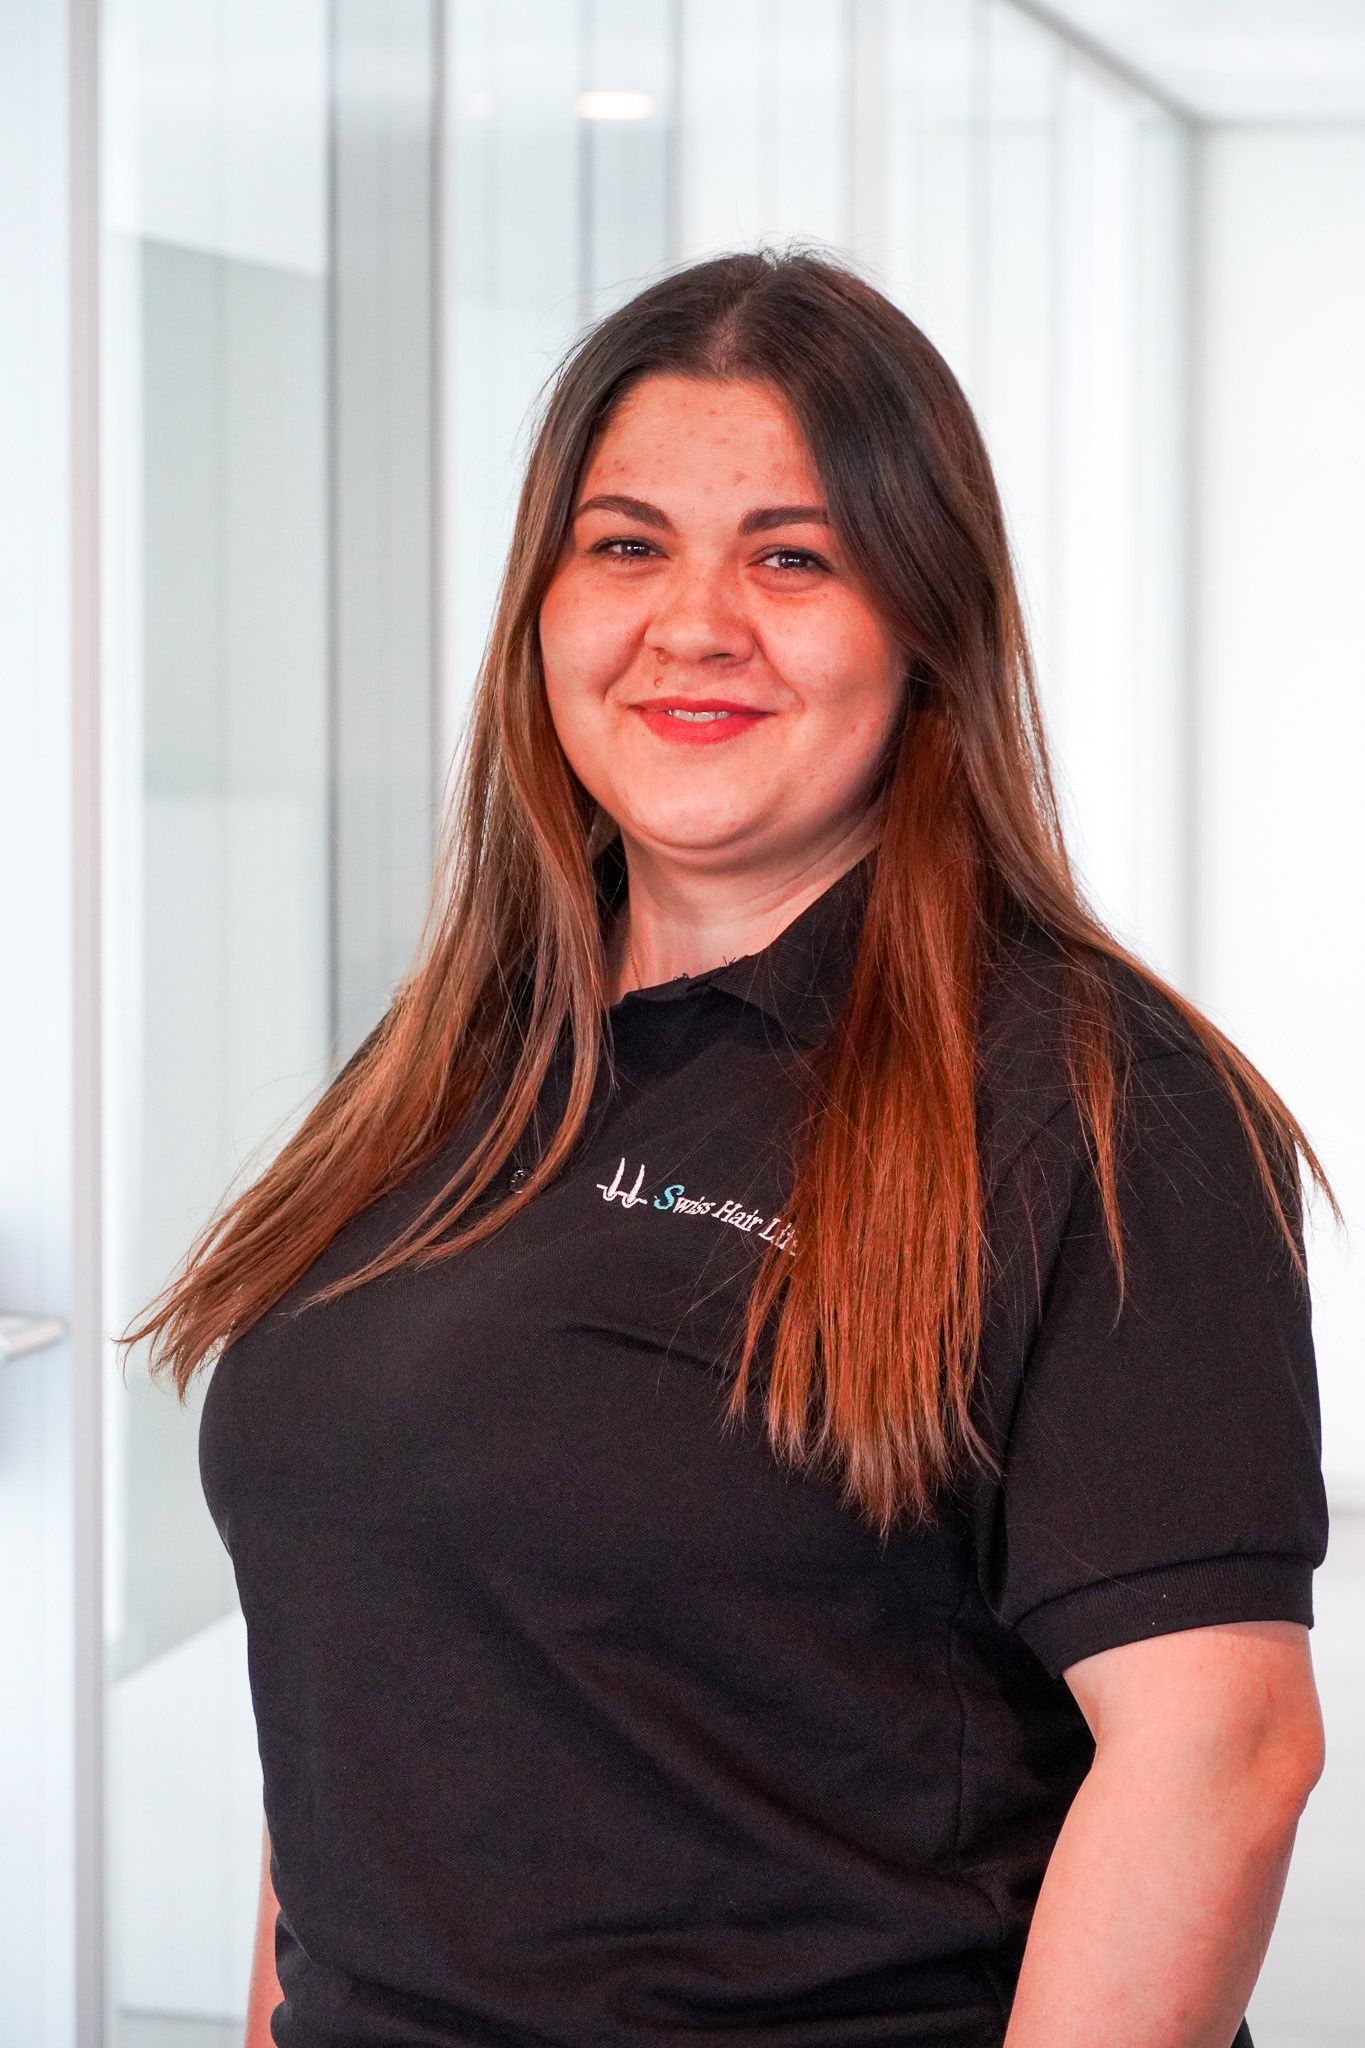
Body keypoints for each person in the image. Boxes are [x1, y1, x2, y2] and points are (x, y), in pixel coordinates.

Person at [122, 247, 1335, 2048]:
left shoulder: (1093, 1100)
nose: (693, 622)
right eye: (626, 546)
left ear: (925, 622)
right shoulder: (451, 1057)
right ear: (543, 607)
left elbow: (1218, 1755)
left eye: (793, 554)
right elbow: (369, 1659)